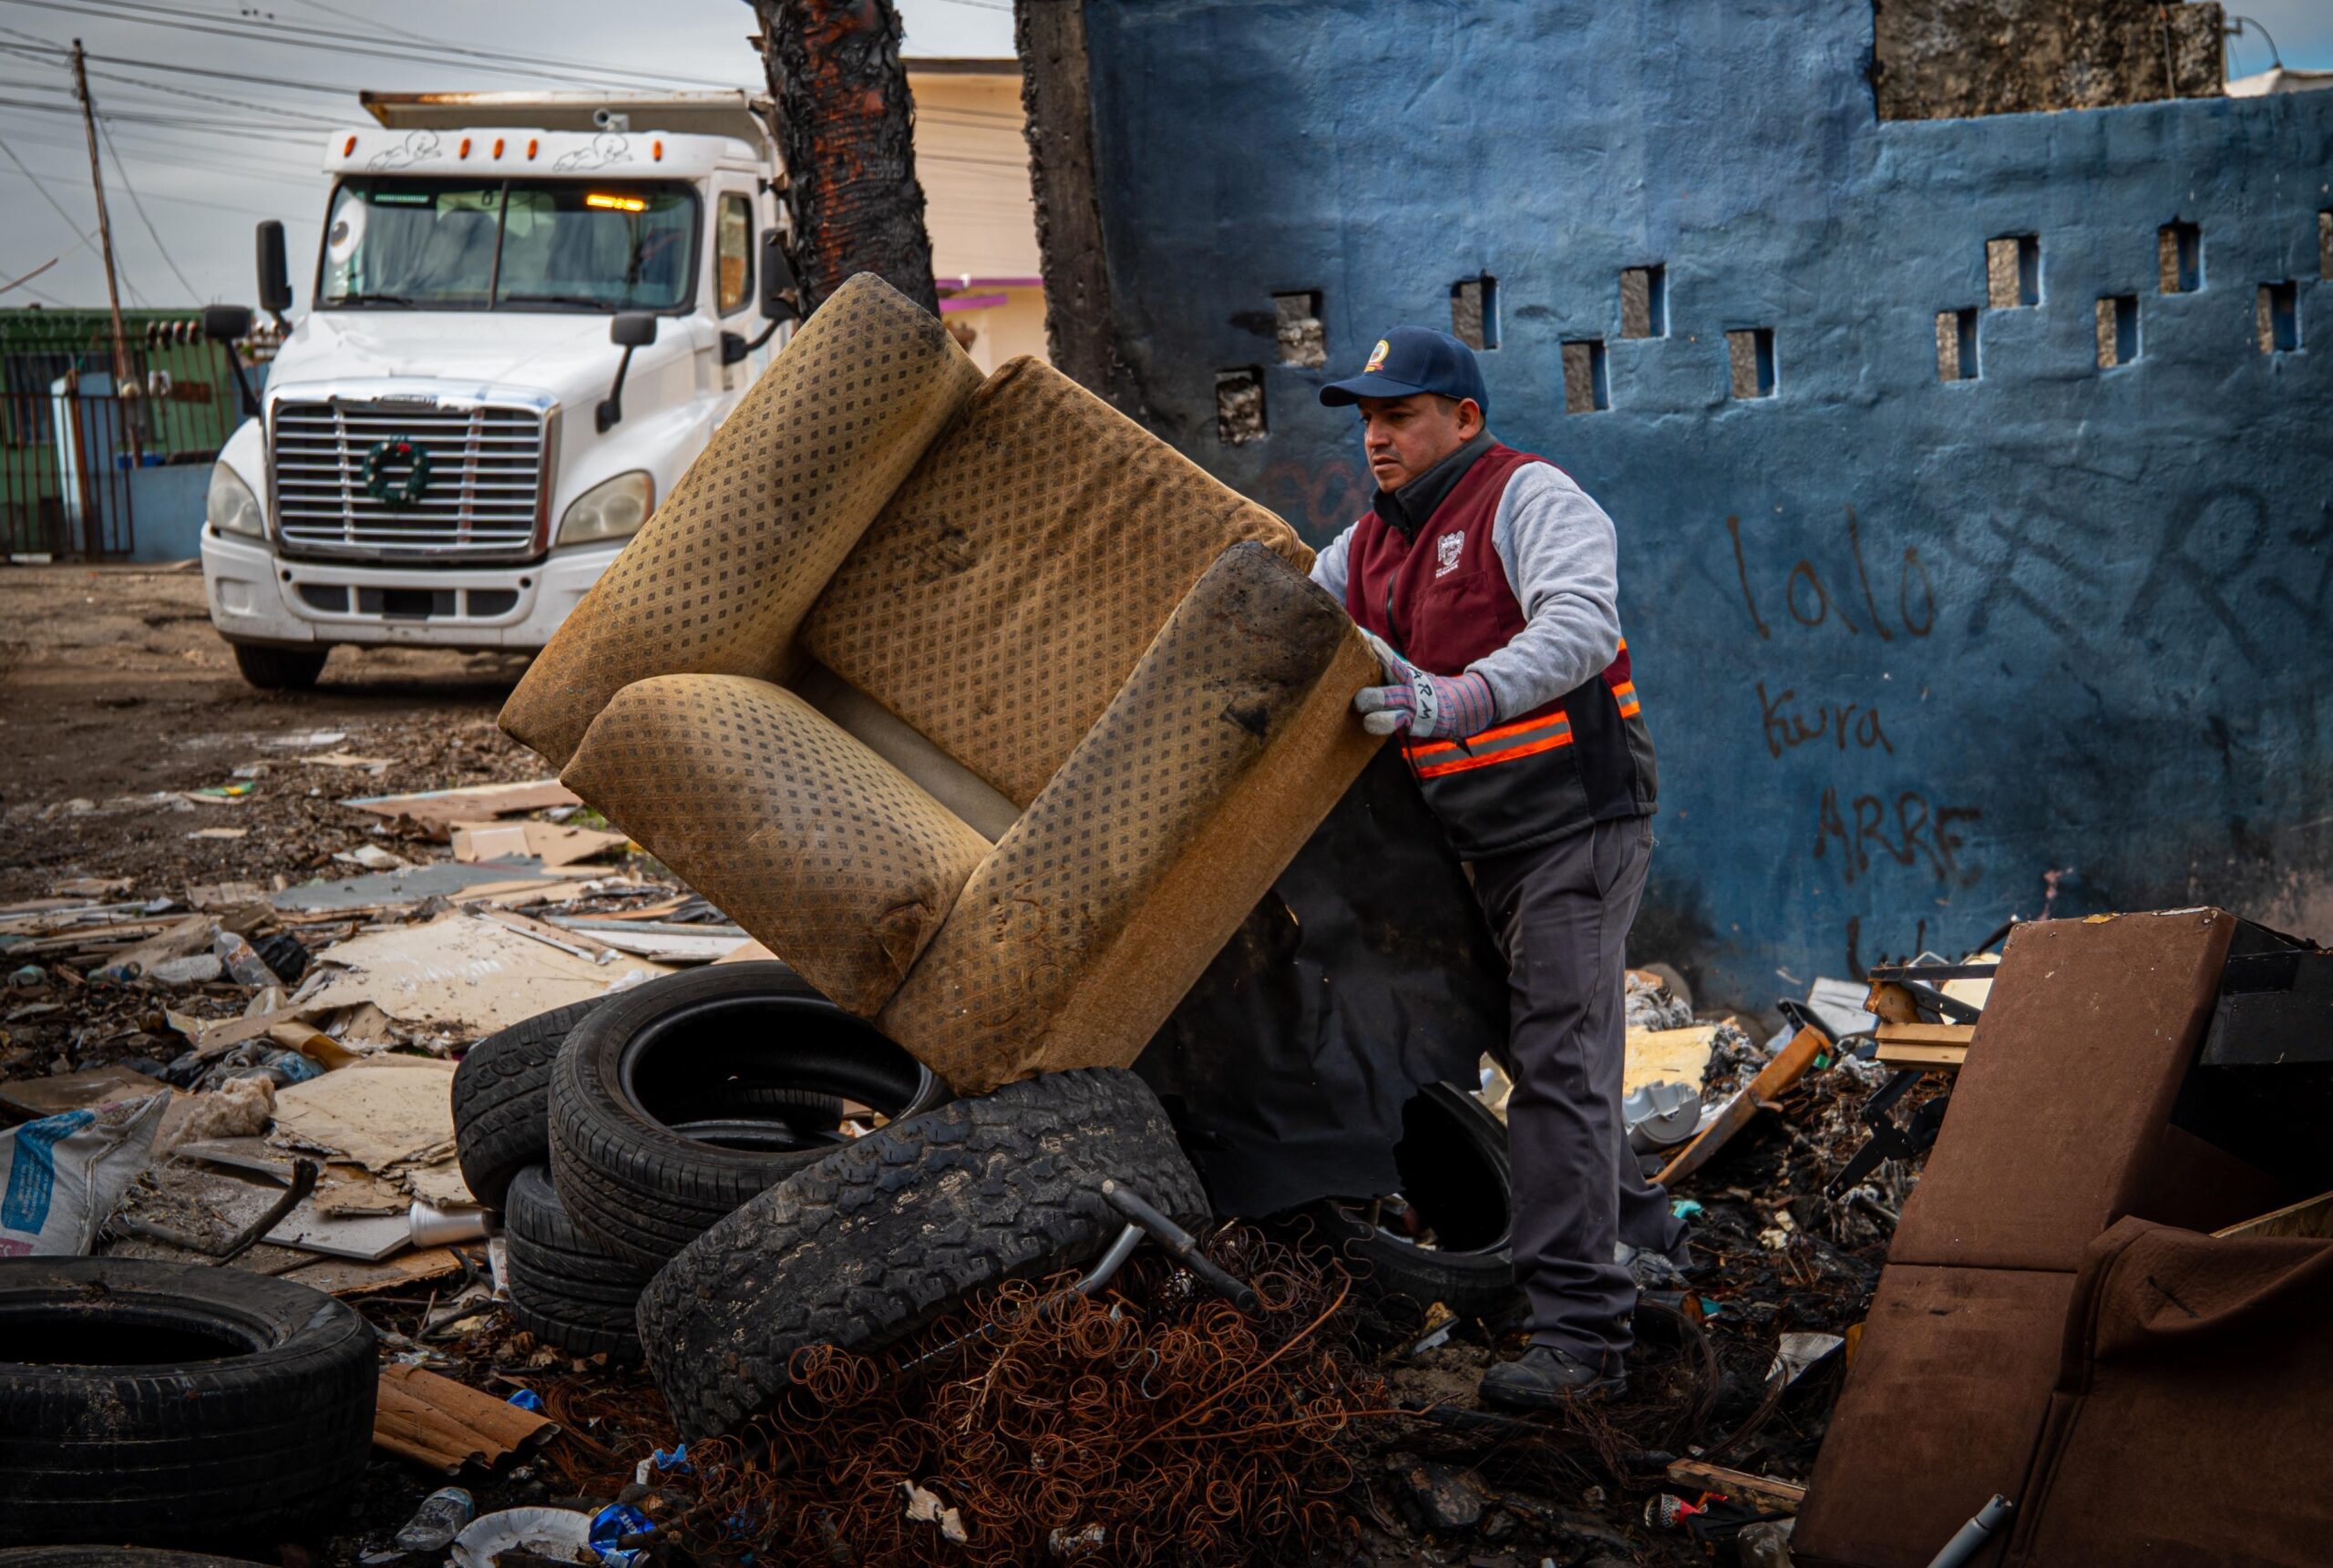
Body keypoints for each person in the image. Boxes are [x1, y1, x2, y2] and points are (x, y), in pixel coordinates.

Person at [1308, 325, 1684, 1407]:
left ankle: (1582, 1343)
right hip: (1468, 840)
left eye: (1402, 415)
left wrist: (1454, 694)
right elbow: (1290, 608)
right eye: (1368, 419)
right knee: (1543, 1055)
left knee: (1556, 1066)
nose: (1377, 438)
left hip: (1573, 823)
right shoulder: (1364, 547)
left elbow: (1577, 626)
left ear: (1464, 419)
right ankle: (1650, 1249)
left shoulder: (1532, 500)